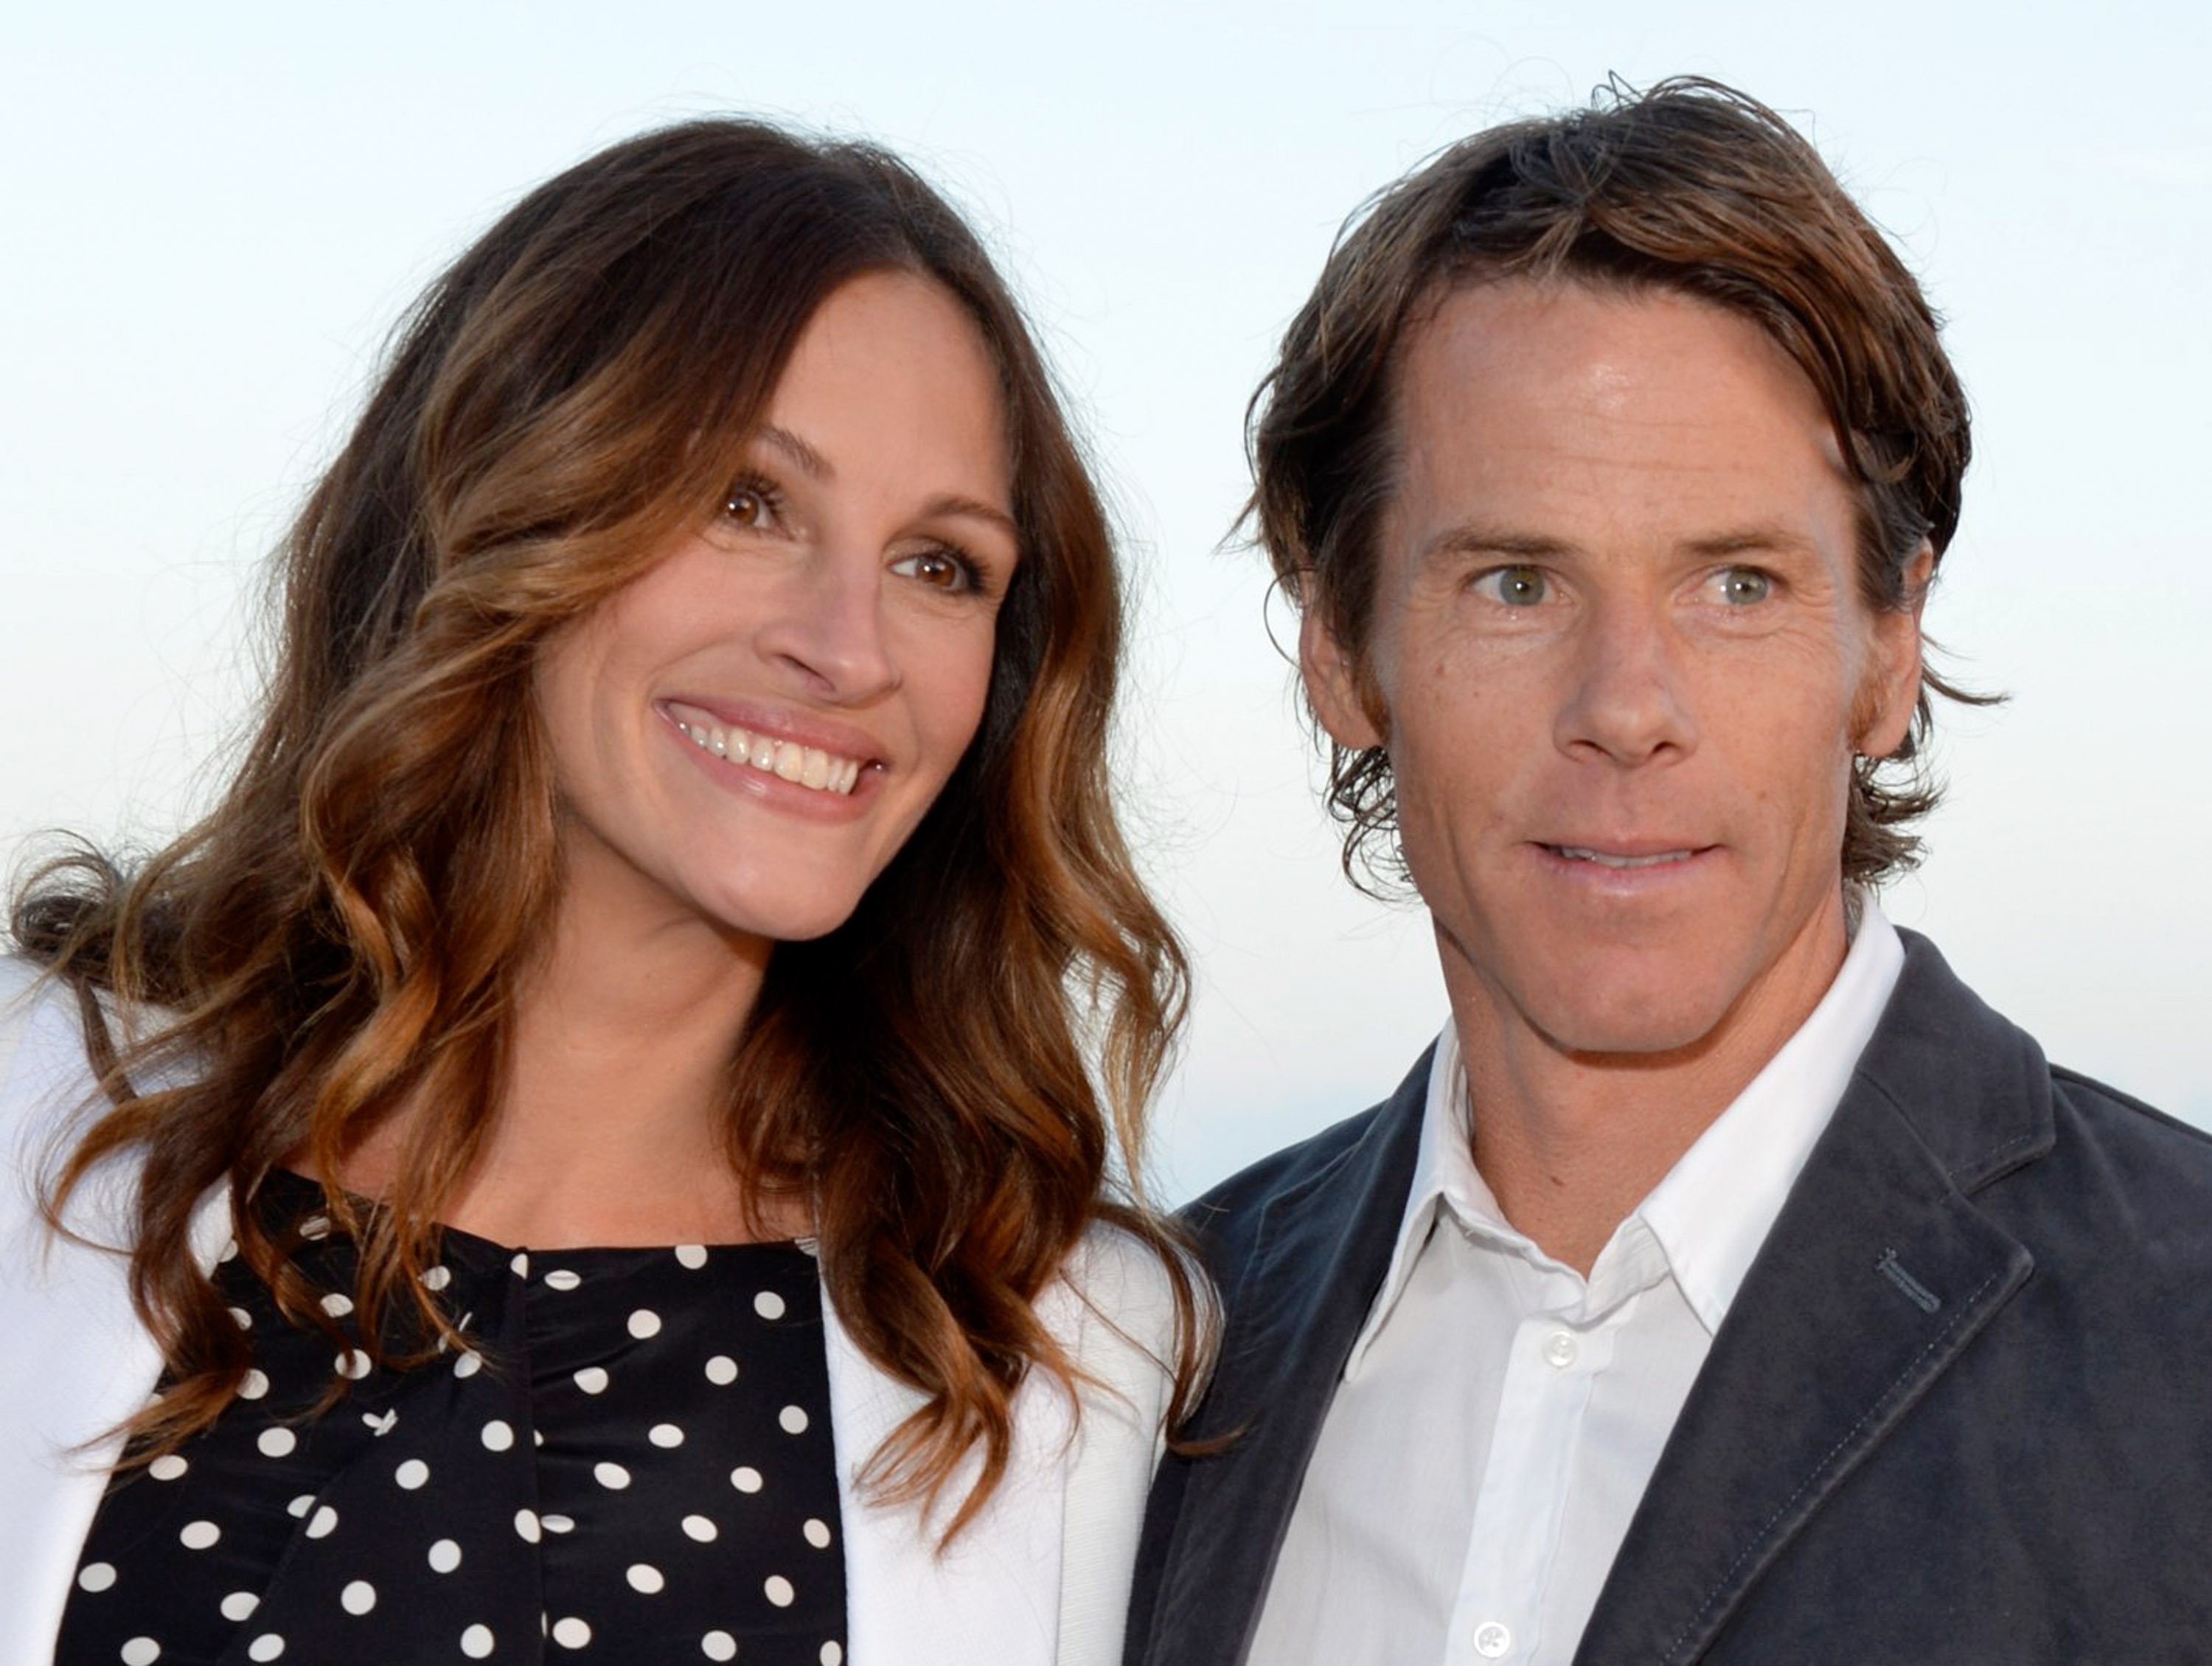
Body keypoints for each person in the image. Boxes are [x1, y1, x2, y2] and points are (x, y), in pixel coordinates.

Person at [0, 119, 1206, 1666]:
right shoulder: (41, 1103)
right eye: (748, 502)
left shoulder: (1064, 1351)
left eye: (942, 564)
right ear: (513, 504)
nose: (851, 649)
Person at [1125, 77, 2212, 1666]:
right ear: (1343, 651)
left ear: (1888, 646)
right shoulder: (1150, 1363)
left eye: (1737, 582)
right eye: (1515, 580)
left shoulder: (2183, 1342)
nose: (1626, 705)